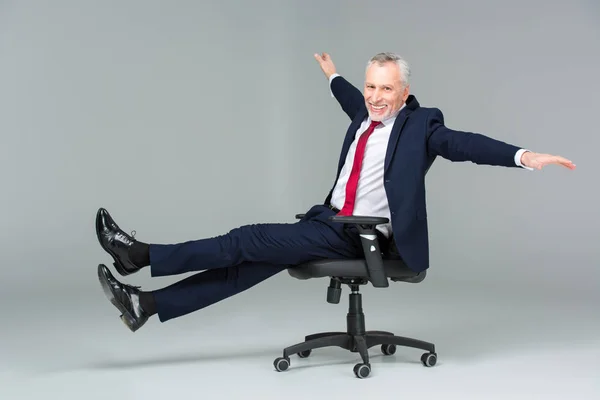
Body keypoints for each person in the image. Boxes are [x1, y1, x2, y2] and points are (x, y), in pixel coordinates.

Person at [95, 52, 576, 332]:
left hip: (362, 235)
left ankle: (141, 254)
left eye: (385, 89)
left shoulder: (421, 126)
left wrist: (524, 156)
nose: (375, 96)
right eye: (371, 87)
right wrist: (331, 72)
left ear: (405, 93)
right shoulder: (363, 114)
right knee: (246, 267)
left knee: (246, 238)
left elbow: (465, 145)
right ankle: (148, 306)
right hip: (328, 222)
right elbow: (348, 96)